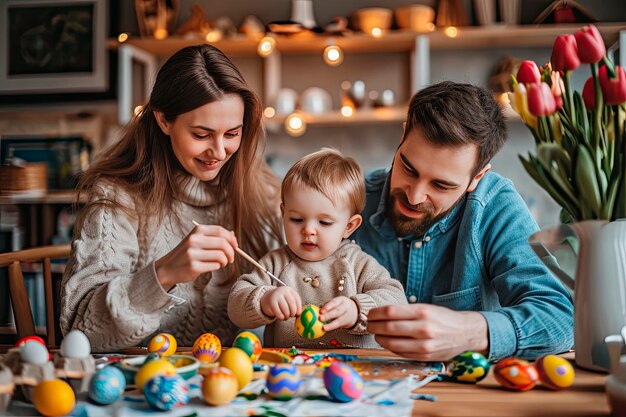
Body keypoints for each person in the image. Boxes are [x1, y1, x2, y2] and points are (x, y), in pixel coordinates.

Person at [60, 44, 283, 351]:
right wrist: (164, 274)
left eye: (232, 134)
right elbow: (81, 330)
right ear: (164, 120)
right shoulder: (118, 196)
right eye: (202, 134)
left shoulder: (261, 188)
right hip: (145, 380)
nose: (219, 152)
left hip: (242, 382)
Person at [353, 81, 574, 361]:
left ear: (477, 177)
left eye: (442, 185)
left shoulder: (495, 206)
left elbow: (559, 317)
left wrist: (469, 333)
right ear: (403, 135)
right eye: (408, 168)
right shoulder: (351, 199)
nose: (415, 195)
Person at [228, 149, 407, 348]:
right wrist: (264, 300)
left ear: (349, 226)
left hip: (352, 370)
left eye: (324, 222)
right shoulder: (275, 263)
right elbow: (235, 307)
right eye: (296, 219)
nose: (308, 230)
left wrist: (357, 310)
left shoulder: (358, 264)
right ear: (283, 213)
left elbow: (398, 302)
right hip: (291, 371)